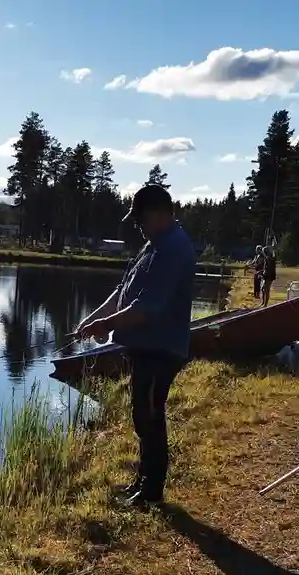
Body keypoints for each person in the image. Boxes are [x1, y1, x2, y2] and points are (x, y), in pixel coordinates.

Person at [75, 184, 196, 508]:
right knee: (143, 412)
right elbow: (123, 291)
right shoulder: (154, 245)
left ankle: (151, 492)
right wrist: (94, 319)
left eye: (141, 219)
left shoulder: (173, 248)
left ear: (158, 213)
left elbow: (146, 308)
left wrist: (104, 326)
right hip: (145, 348)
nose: (138, 226)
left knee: (150, 415)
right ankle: (143, 483)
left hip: (161, 348)